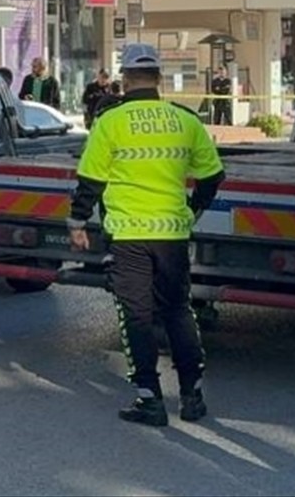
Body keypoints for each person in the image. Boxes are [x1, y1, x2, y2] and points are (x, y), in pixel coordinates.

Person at [68, 43, 225, 426]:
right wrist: (193, 209)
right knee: (177, 310)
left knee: (136, 316)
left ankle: (149, 398)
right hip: (172, 233)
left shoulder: (110, 122)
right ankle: (192, 395)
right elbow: (212, 175)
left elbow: (90, 180)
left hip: (128, 235)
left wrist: (76, 222)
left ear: (124, 79)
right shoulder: (185, 120)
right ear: (159, 78)